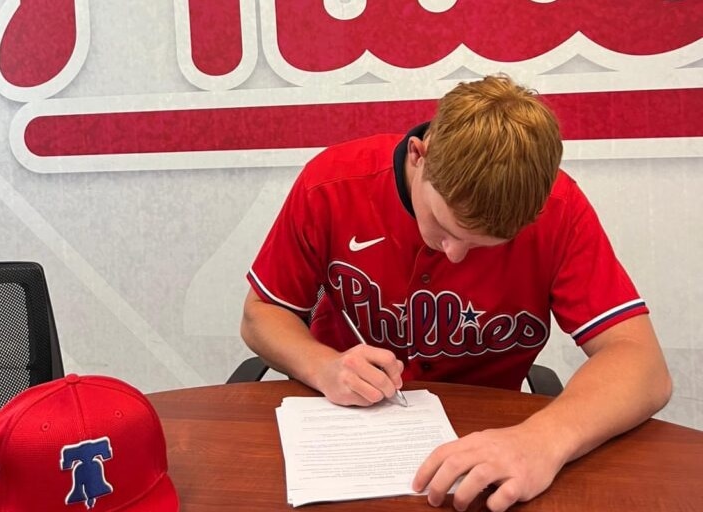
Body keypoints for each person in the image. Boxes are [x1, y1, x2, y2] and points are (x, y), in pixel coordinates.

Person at [240, 74, 671, 511]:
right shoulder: (331, 184)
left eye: (486, 244)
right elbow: (260, 314)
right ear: (419, 156)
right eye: (444, 228)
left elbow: (642, 364)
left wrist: (544, 439)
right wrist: (323, 366)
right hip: (342, 431)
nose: (456, 256)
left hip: (486, 447)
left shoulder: (561, 210)